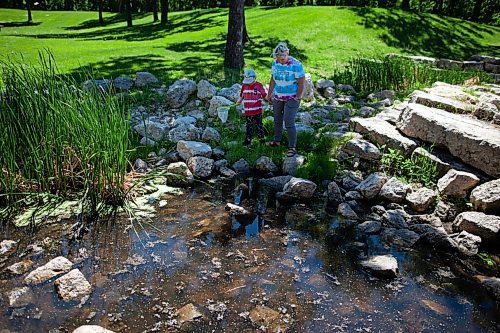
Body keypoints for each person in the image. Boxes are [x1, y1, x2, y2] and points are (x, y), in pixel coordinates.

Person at [266, 42, 305, 157]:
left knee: (288, 120)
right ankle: (277, 141)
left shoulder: (296, 64)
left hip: (292, 97)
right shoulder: (275, 64)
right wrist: (269, 93)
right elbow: (273, 79)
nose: (281, 60)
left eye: (283, 58)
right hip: (278, 96)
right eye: (279, 58)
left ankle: (292, 147)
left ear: (287, 54)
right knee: (277, 119)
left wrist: (298, 96)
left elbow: (302, 82)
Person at [237, 68, 267, 147]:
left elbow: (264, 95)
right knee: (248, 126)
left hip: (257, 111)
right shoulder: (244, 86)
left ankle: (261, 139)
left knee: (259, 125)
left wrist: (270, 99)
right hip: (248, 111)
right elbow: (241, 95)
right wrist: (239, 101)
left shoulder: (259, 85)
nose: (248, 83)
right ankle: (248, 140)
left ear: (254, 78)